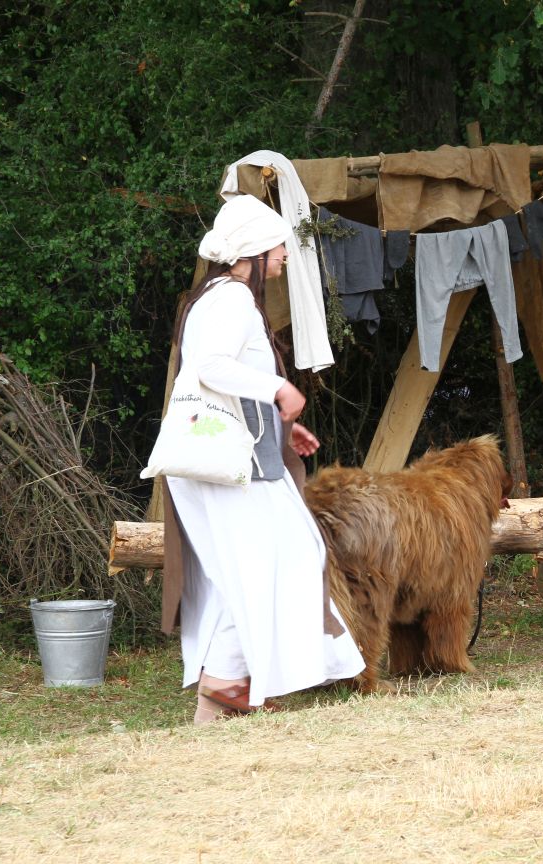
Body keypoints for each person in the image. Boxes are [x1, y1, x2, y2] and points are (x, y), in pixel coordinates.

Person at [160, 194, 364, 723]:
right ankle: (225, 678)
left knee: (250, 566)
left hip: (228, 455)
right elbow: (211, 367)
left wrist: (282, 424)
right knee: (287, 556)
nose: (285, 255)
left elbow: (228, 381)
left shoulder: (214, 297)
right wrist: (279, 388)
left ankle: (217, 704)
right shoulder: (231, 299)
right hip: (232, 465)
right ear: (252, 251)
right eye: (278, 247)